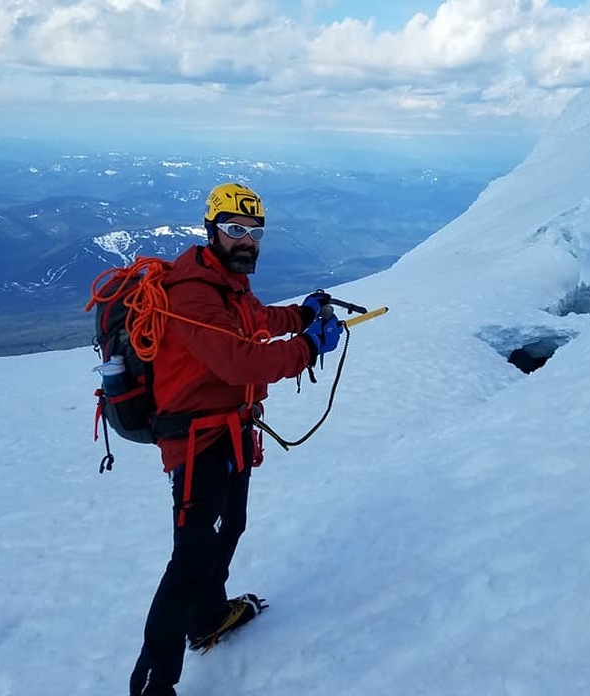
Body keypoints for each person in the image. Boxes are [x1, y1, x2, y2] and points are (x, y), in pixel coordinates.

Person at [129, 182, 342, 696]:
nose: (247, 241)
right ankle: (152, 683)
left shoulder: (228, 284)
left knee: (232, 526)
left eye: (254, 232)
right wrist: (308, 348)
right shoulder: (193, 293)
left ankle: (207, 617)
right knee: (189, 560)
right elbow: (240, 360)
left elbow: (257, 321)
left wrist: (304, 316)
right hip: (197, 441)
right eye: (235, 230)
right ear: (212, 231)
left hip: (232, 429)